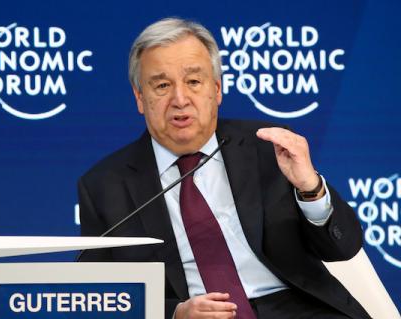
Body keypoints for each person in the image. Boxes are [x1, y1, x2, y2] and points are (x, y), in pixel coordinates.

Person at [77, 18, 370, 319]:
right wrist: (174, 313)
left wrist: (310, 189)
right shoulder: (104, 186)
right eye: (162, 85)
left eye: (193, 81)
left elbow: (344, 248)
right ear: (140, 98)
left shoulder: (267, 147)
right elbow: (102, 298)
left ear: (216, 89)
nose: (180, 100)